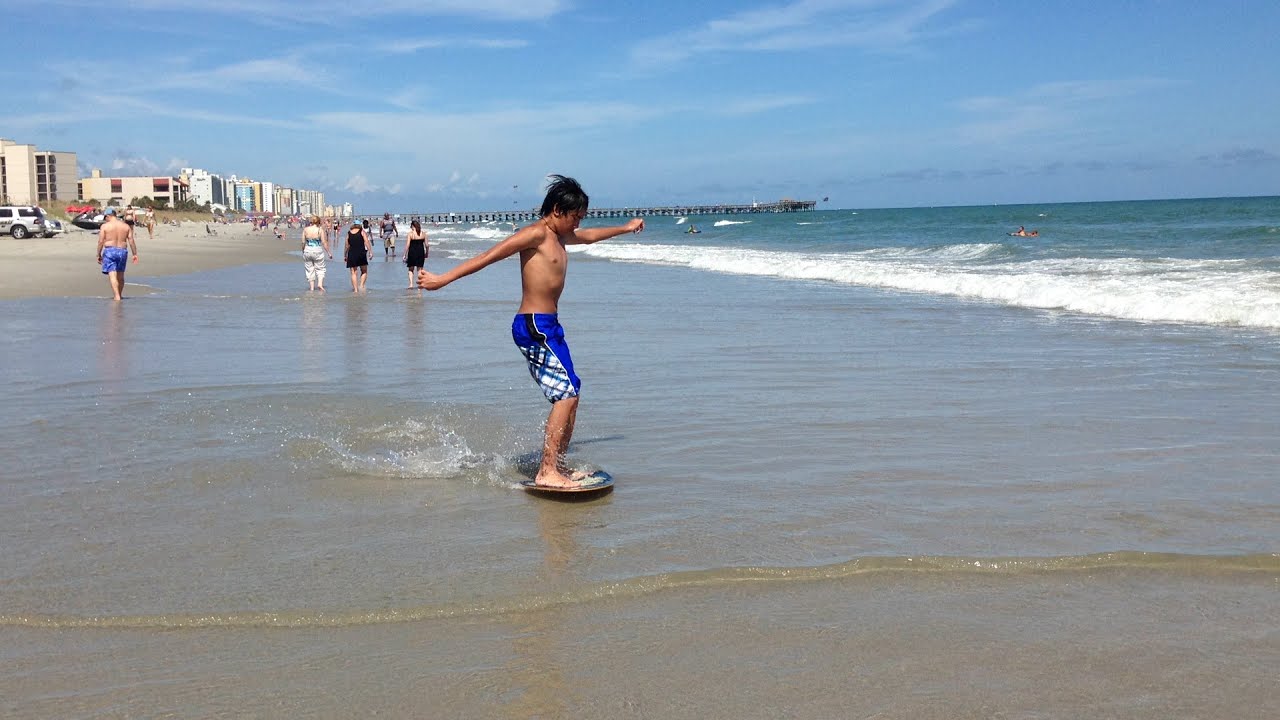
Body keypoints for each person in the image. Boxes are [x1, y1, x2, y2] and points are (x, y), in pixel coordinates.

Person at [417, 175, 644, 488]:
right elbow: (488, 257)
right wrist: (442, 280)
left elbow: (589, 236)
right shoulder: (536, 234)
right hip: (534, 325)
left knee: (572, 393)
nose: (578, 223)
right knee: (566, 395)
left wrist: (625, 228)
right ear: (557, 210)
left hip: (549, 326)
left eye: (581, 217)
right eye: (575, 217)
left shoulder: (561, 236)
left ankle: (557, 466)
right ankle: (547, 471)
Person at [96, 208, 139, 301]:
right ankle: (119, 294)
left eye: (105, 217)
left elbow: (100, 241)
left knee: (112, 274)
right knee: (121, 275)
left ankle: (117, 296)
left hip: (110, 251)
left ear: (108, 216)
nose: (105, 219)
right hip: (122, 251)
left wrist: (98, 254)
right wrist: (134, 254)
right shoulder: (126, 226)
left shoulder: (105, 226)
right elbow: (131, 241)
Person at [301, 215, 333, 292]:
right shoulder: (320, 230)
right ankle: (320, 284)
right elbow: (324, 242)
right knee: (320, 268)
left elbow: (303, 242)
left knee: (309, 269)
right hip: (317, 250)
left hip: (308, 250)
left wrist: (303, 250)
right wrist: (329, 253)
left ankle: (312, 288)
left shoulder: (306, 229)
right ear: (318, 222)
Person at [344, 219, 372, 292]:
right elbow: (366, 242)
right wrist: (370, 252)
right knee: (364, 271)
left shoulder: (349, 233)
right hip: (361, 253)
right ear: (360, 225)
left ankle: (356, 290)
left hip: (352, 253)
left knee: (353, 273)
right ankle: (361, 286)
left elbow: (347, 245)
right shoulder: (362, 232)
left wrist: (345, 255)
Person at [404, 219, 428, 293]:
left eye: (411, 226)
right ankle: (420, 285)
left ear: (413, 226)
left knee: (411, 269)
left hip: (412, 252)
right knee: (419, 269)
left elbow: (408, 245)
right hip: (421, 252)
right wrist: (427, 253)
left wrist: (404, 254)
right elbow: (427, 245)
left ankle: (411, 284)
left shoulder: (410, 234)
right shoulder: (423, 234)